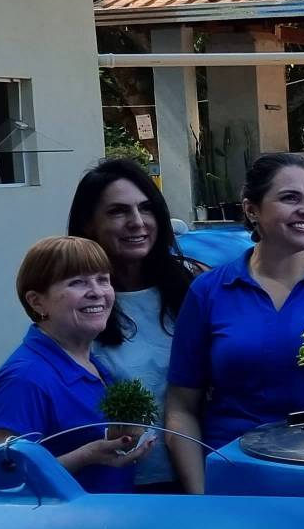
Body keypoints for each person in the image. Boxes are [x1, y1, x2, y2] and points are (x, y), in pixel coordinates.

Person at [166, 153, 304, 492]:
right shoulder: (210, 290)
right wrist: (202, 494)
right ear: (251, 210)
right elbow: (181, 407)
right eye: (290, 198)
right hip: (236, 472)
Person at [0, 236, 154, 491]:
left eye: (103, 279)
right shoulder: (25, 379)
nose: (97, 292)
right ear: (37, 302)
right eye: (77, 282)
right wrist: (85, 456)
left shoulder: (91, 365)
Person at [68, 158, 203, 489]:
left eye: (146, 208)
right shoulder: (76, 302)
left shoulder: (195, 286)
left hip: (201, 473)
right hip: (115, 485)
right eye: (117, 212)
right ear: (88, 224)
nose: (137, 222)